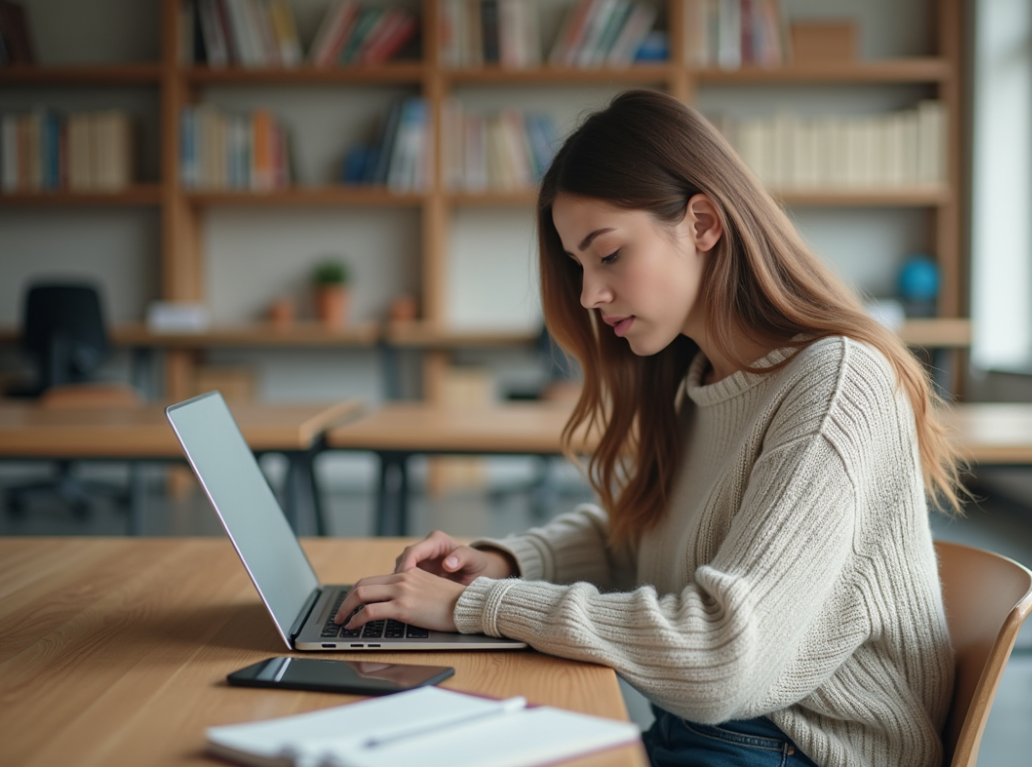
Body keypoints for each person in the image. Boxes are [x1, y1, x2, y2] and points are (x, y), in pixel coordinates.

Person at [334, 89, 966, 767]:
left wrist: (480, 605)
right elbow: (641, 531)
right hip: (712, 734)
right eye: (578, 266)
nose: (588, 295)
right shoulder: (702, 377)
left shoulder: (836, 382)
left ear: (702, 222)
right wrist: (505, 563)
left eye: (607, 255)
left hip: (803, 749)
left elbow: (725, 659)